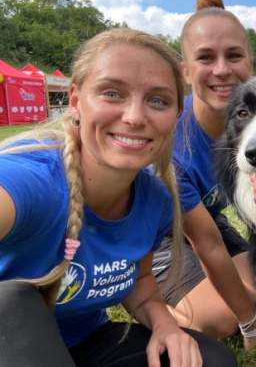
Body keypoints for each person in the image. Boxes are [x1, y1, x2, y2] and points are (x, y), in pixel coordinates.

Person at [0, 28, 236, 367]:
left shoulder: (155, 198)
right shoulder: (29, 182)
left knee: (211, 360)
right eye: (112, 93)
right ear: (76, 100)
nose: (135, 117)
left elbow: (139, 281)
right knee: (10, 300)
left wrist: (166, 325)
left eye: (158, 100)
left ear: (175, 115)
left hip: (85, 346)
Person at [152, 0, 256, 348]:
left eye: (234, 56)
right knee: (221, 319)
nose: (222, 70)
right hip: (160, 238)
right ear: (185, 71)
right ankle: (154, 313)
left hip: (209, 221)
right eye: (205, 58)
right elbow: (207, 245)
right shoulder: (173, 140)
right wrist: (252, 324)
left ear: (250, 62)